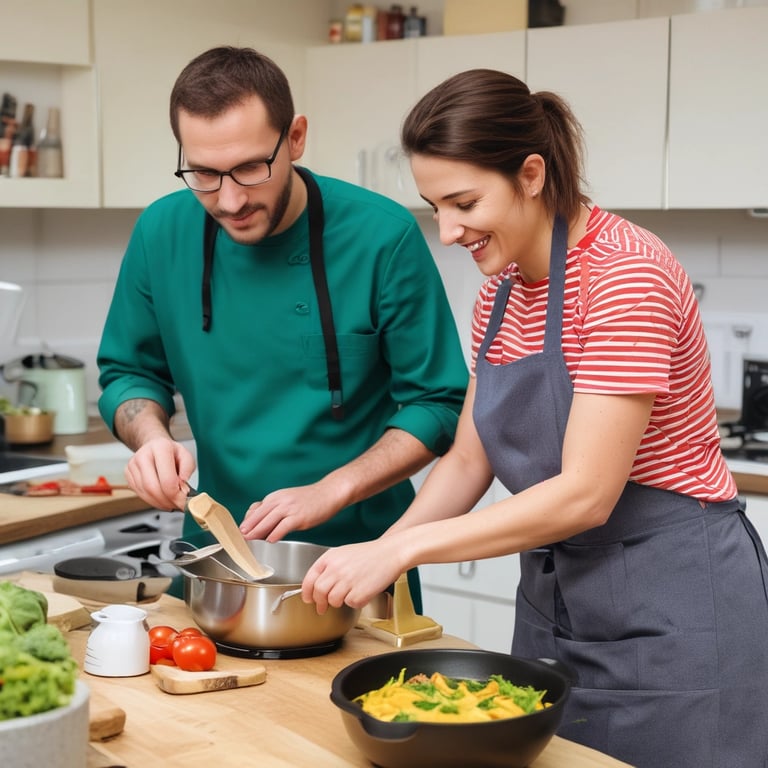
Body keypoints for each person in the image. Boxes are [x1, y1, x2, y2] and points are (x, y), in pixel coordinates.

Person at [300, 69, 768, 767]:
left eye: (463, 202)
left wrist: (403, 551)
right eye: (434, 206)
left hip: (673, 613)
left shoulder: (625, 274)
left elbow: (587, 491)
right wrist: (379, 554)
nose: (448, 230)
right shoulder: (500, 299)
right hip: (558, 607)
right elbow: (467, 458)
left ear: (530, 173)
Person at [97, 46, 468, 608]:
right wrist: (151, 439)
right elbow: (129, 373)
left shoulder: (382, 238)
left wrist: (332, 489)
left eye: (250, 167)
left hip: (360, 568)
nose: (229, 198)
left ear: (296, 138)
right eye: (202, 173)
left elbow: (439, 403)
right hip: (214, 568)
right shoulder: (160, 232)